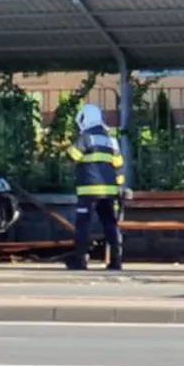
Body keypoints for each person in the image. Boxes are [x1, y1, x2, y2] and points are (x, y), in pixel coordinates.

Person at [65, 103, 124, 271]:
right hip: (109, 191)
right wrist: (119, 189)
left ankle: (81, 260)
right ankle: (116, 260)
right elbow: (119, 166)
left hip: (88, 191)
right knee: (110, 225)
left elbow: (72, 156)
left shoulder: (86, 138)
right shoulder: (112, 140)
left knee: (83, 224)